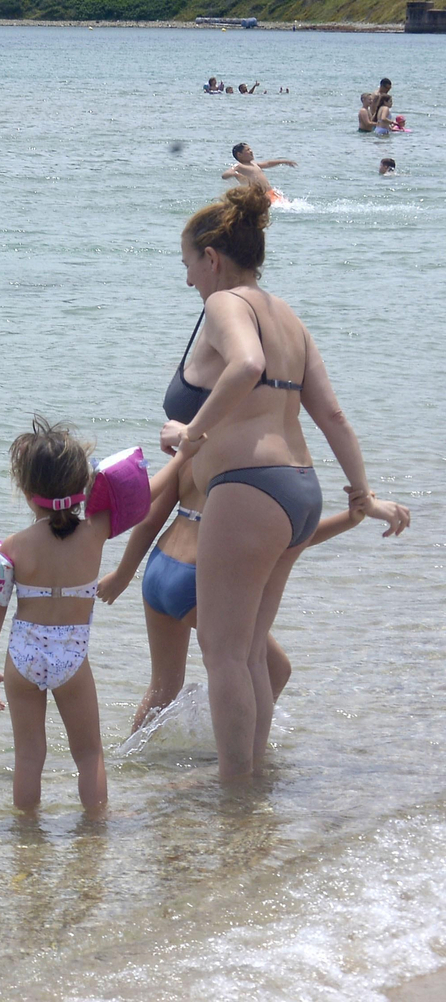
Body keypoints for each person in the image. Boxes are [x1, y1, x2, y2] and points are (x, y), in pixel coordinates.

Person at [157, 184, 410, 782]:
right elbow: (333, 416)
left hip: (248, 491)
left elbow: (246, 366)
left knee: (222, 653)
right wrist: (362, 496)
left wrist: (192, 435)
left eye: (188, 264)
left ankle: (234, 793)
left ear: (212, 258)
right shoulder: (289, 316)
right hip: (298, 490)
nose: (188, 279)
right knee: (247, 653)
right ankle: (251, 786)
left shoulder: (225, 305)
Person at [98, 448, 365, 731]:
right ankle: (225, 757)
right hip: (197, 579)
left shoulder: (194, 449)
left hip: (159, 568)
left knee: (163, 686)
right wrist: (349, 519)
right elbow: (287, 537)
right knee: (275, 670)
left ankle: (135, 765)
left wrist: (122, 574)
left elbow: (151, 519)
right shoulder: (252, 466)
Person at [0, 417, 111, 815]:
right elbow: (135, 490)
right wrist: (186, 452)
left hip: (22, 656)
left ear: (25, 491)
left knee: (29, 756)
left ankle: (27, 836)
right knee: (88, 754)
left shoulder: (14, 546)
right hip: (71, 656)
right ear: (82, 485)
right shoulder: (95, 533)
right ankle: (95, 830)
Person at [222, 143, 294, 203]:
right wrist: (235, 174)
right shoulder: (239, 166)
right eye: (248, 150)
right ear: (239, 154)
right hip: (261, 196)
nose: (251, 151)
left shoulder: (254, 164)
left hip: (271, 193)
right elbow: (225, 175)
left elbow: (268, 163)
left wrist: (283, 161)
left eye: (250, 149)